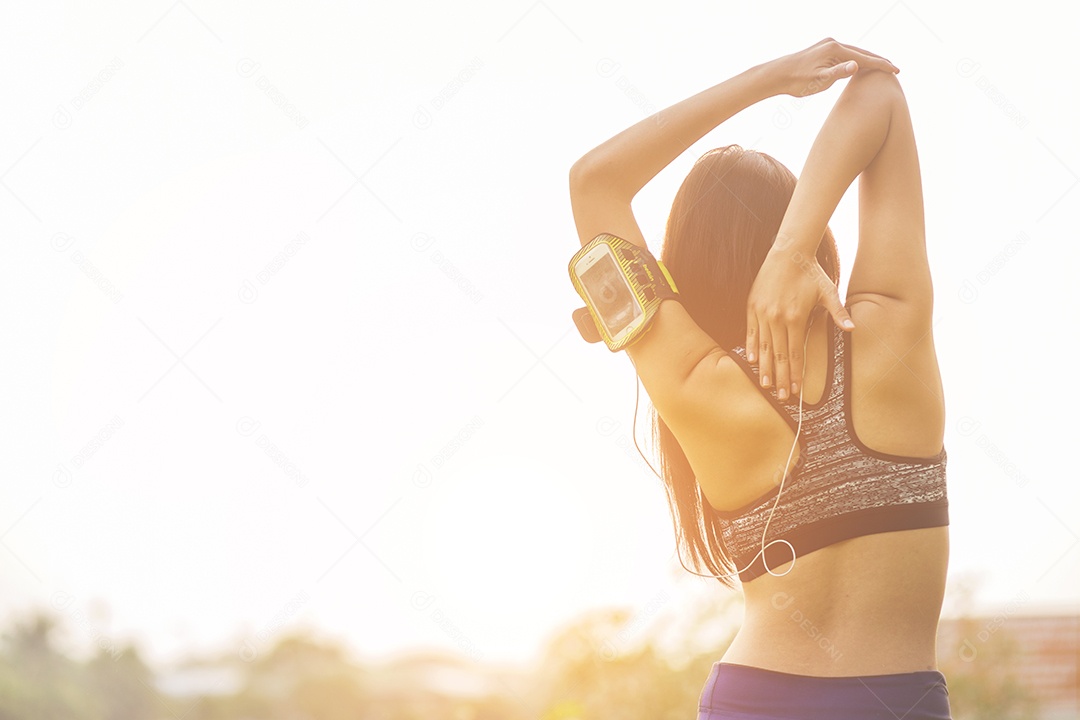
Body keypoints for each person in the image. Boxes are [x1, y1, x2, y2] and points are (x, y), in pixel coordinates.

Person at [568, 39, 952, 719]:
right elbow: (880, 96)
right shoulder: (891, 329)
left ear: (683, 268)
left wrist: (765, 80)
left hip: (752, 699)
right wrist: (791, 247)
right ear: (820, 237)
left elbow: (595, 181)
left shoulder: (690, 382)